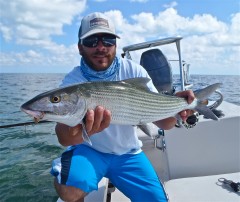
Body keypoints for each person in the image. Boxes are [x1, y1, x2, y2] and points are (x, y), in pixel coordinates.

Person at [51, 12, 194, 202]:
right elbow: (64, 138)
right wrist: (87, 129)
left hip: (128, 153)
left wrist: (178, 107)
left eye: (108, 40)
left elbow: (166, 124)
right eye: (92, 41)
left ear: (115, 45)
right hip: (90, 151)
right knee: (69, 189)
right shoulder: (73, 82)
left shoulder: (133, 71)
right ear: (80, 47)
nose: (101, 47)